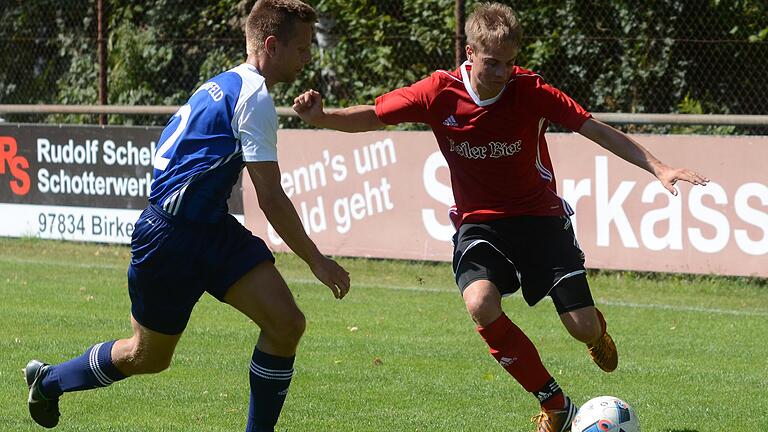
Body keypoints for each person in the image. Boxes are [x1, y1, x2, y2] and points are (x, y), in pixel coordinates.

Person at [292, 2, 708, 431]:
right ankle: (555, 402)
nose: (502, 72)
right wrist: (322, 117)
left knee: (581, 327)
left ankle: (596, 333)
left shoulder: (530, 91)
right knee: (480, 302)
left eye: (510, 63)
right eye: (492, 63)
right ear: (469, 52)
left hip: (541, 218)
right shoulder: (438, 92)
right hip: (480, 223)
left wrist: (658, 167)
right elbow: (375, 115)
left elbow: (594, 128)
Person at [23, 1, 350, 431]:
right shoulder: (253, 98)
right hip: (170, 238)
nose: (308, 56)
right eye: (303, 47)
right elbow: (270, 197)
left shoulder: (225, 83)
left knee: (286, 323)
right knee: (148, 356)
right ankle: (50, 381)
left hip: (210, 229)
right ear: (271, 44)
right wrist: (317, 261)